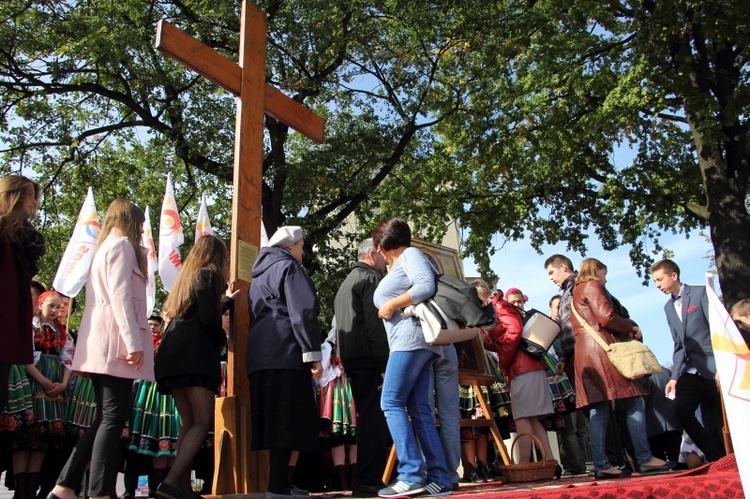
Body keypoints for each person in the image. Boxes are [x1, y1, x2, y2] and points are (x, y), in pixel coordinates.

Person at [49, 199, 154, 499]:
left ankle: (66, 486)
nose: (141, 229)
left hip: (105, 344)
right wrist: (133, 342)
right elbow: (121, 297)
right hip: (116, 345)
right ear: (131, 220)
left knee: (105, 419)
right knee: (111, 419)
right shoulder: (121, 246)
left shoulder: (105, 247)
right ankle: (96, 492)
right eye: (140, 223)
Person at [372, 217, 452, 498]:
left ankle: (410, 474)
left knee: (391, 401)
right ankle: (440, 478)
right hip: (417, 343)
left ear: (384, 245)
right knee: (420, 410)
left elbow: (425, 285)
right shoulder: (403, 261)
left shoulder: (411, 254)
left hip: (410, 341)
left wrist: (392, 303)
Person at [571, 258, 671, 478]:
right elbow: (606, 317)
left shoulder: (576, 291)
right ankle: (644, 458)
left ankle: (601, 464)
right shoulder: (593, 285)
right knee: (634, 400)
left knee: (599, 409)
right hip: (603, 353)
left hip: (587, 354)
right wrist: (631, 327)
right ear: (597, 270)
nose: (605, 279)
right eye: (604, 274)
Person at [154, 234, 235, 499]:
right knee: (202, 421)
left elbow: (195, 311)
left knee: (188, 421)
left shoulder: (185, 278)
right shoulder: (209, 274)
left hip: (173, 355)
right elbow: (208, 319)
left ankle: (182, 487)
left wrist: (224, 301)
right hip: (194, 355)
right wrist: (223, 339)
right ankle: (171, 482)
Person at [247, 226, 323, 499]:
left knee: (273, 421)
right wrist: (313, 354)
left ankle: (280, 483)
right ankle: (277, 486)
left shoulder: (258, 275)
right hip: (287, 353)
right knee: (288, 422)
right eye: (302, 245)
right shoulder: (290, 269)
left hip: (260, 356)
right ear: (291, 247)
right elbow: (302, 313)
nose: (303, 251)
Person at [650, 258, 725, 463]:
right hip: (689, 372)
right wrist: (674, 377)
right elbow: (678, 345)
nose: (657, 285)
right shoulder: (668, 308)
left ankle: (733, 455)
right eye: (655, 281)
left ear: (673, 276)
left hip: (712, 368)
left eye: (659, 279)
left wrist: (721, 366)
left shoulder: (701, 294)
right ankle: (716, 455)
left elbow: (717, 331)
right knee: (682, 411)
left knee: (721, 414)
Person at [334, 238, 391, 497]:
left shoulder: (345, 284)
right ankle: (369, 478)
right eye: (381, 254)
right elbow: (376, 326)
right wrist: (385, 363)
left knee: (367, 419)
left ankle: (366, 477)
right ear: (371, 255)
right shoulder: (370, 280)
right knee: (374, 420)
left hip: (352, 360)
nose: (386, 259)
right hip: (370, 360)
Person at [480, 287, 558, 476]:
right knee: (531, 417)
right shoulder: (497, 308)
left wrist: (504, 362)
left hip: (521, 368)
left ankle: (523, 466)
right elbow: (502, 338)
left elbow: (514, 332)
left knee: (523, 417)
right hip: (527, 367)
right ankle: (549, 461)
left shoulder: (500, 306)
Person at [0, 175, 46, 414]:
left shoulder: (24, 240)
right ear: (13, 196)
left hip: (8, 331)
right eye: (29, 194)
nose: (34, 201)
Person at [23, 291, 74, 498]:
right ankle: (21, 488)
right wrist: (43, 380)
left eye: (59, 307)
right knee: (26, 436)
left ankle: (32, 486)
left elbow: (68, 359)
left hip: (55, 384)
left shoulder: (62, 333)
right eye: (51, 306)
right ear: (41, 305)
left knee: (43, 438)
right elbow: (26, 358)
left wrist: (62, 384)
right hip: (35, 381)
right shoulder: (32, 328)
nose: (55, 311)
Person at [543, 255, 588, 475]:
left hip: (578, 375)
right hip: (563, 385)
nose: (562, 310)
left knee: (582, 426)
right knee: (569, 428)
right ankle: (576, 466)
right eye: (558, 308)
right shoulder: (550, 333)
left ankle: (583, 462)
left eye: (551, 272)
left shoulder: (579, 288)